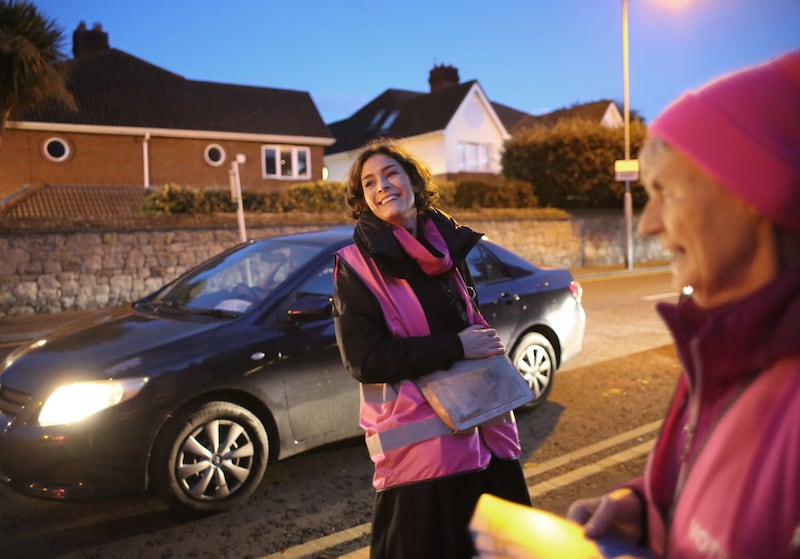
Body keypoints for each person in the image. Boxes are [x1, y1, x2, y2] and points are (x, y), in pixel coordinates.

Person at [566, 51, 800, 558]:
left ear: (752, 194)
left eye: (666, 190)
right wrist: (645, 508)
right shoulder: (719, 340)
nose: (648, 224)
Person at [333, 138, 531, 559]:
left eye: (390, 174)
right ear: (363, 199)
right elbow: (364, 360)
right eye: (369, 183)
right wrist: (457, 346)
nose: (381, 186)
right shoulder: (355, 266)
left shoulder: (446, 247)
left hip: (488, 435)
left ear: (413, 182)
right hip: (425, 458)